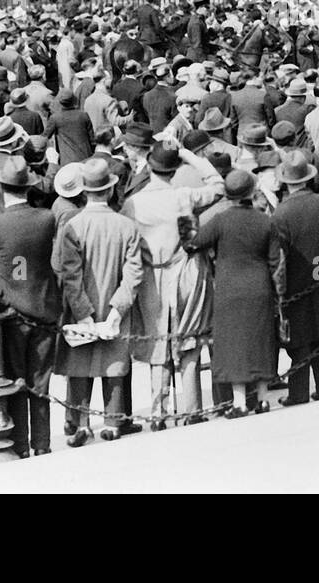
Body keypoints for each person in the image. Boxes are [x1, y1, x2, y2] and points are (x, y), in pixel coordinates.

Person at [122, 143, 222, 427]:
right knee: (190, 341)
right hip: (187, 271)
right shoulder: (185, 196)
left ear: (149, 166)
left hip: (152, 277)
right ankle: (192, 410)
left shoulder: (133, 203)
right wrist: (188, 154)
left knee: (157, 344)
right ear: (175, 169)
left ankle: (159, 412)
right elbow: (218, 184)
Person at [53, 158, 144, 445]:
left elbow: (68, 272)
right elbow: (134, 272)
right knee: (114, 362)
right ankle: (113, 422)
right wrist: (119, 307)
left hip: (82, 305)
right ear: (109, 190)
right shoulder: (126, 225)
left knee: (80, 364)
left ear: (84, 191)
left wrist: (82, 312)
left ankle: (80, 424)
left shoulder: (73, 225)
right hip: (115, 303)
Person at [0, 156, 62, 458]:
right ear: (28, 188)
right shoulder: (46, 218)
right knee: (41, 383)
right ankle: (42, 443)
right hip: (44, 307)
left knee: (15, 382)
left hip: (12, 313)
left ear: (1, 189)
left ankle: (21, 445)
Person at [186, 169, 285, 417]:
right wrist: (279, 294)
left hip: (229, 289)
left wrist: (185, 223)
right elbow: (276, 262)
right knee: (260, 341)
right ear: (252, 192)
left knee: (233, 345)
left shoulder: (220, 220)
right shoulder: (265, 220)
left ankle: (239, 402)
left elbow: (194, 243)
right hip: (259, 287)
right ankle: (262, 399)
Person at [272, 149, 319, 405]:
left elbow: (278, 257)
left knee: (299, 340)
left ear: (286, 181)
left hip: (295, 283)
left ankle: (298, 393)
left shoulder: (280, 214)